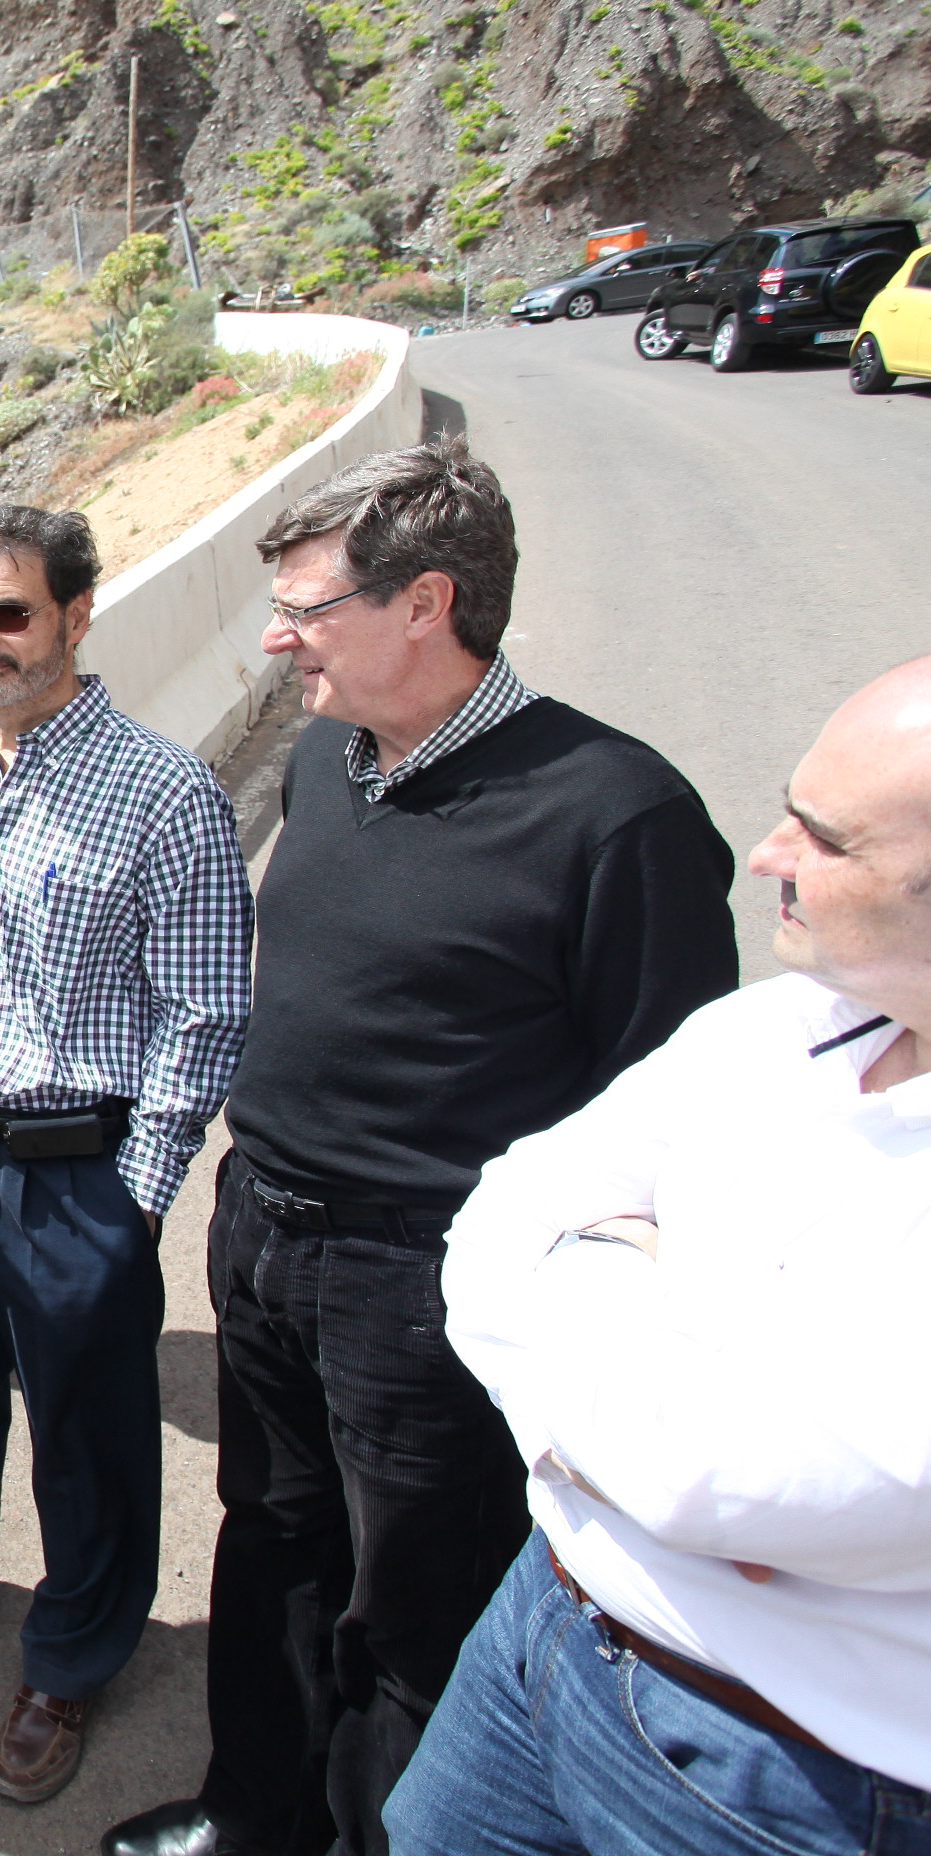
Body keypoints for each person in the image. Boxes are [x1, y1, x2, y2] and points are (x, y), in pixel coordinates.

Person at [101, 443, 738, 1856]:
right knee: (270, 1535)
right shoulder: (332, 756)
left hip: (428, 1278)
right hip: (264, 1230)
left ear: (425, 603)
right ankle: (253, 1814)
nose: (277, 638)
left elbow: (672, 1122)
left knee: (417, 1597)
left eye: (307, 607)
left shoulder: (617, 816)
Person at [385, 655, 931, 1854]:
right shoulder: (783, 1024)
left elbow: (714, 1471)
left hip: (775, 1776)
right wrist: (678, 1320)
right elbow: (498, 1217)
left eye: (825, 837)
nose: (771, 849)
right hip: (542, 1627)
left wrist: (603, 1271)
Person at [0, 504, 252, 1807]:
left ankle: (73, 1652)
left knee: (89, 1433)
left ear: (78, 615)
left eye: (8, 613)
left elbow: (206, 1010)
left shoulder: (163, 789)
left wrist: (133, 1201)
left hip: (74, 1170)